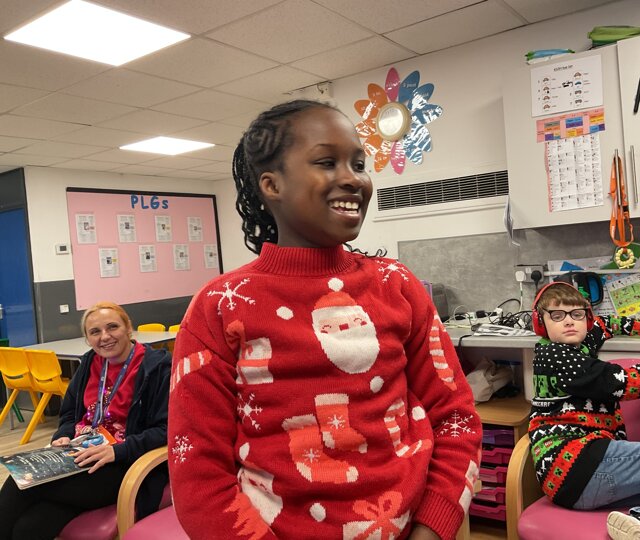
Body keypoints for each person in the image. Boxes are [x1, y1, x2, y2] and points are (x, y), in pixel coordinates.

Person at [168, 99, 483, 540]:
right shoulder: (220, 304)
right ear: (272, 185)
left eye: (359, 163)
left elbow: (456, 418)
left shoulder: (395, 284)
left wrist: (432, 527)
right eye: (327, 162)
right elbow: (197, 469)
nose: (353, 178)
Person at [529, 281, 640, 540]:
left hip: (568, 483)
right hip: (579, 467)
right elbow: (631, 382)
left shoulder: (573, 342)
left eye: (577, 314)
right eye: (557, 315)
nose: (569, 321)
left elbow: (607, 324)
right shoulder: (559, 357)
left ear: (586, 318)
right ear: (541, 323)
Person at [0, 302, 171, 540]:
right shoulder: (90, 362)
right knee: (29, 527)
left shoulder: (158, 367)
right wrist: (63, 435)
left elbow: (166, 429)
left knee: (22, 482)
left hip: (124, 462)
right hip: (80, 455)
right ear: (88, 339)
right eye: (95, 332)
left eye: (113, 327)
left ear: (128, 327)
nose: (105, 337)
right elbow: (69, 414)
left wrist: (117, 451)